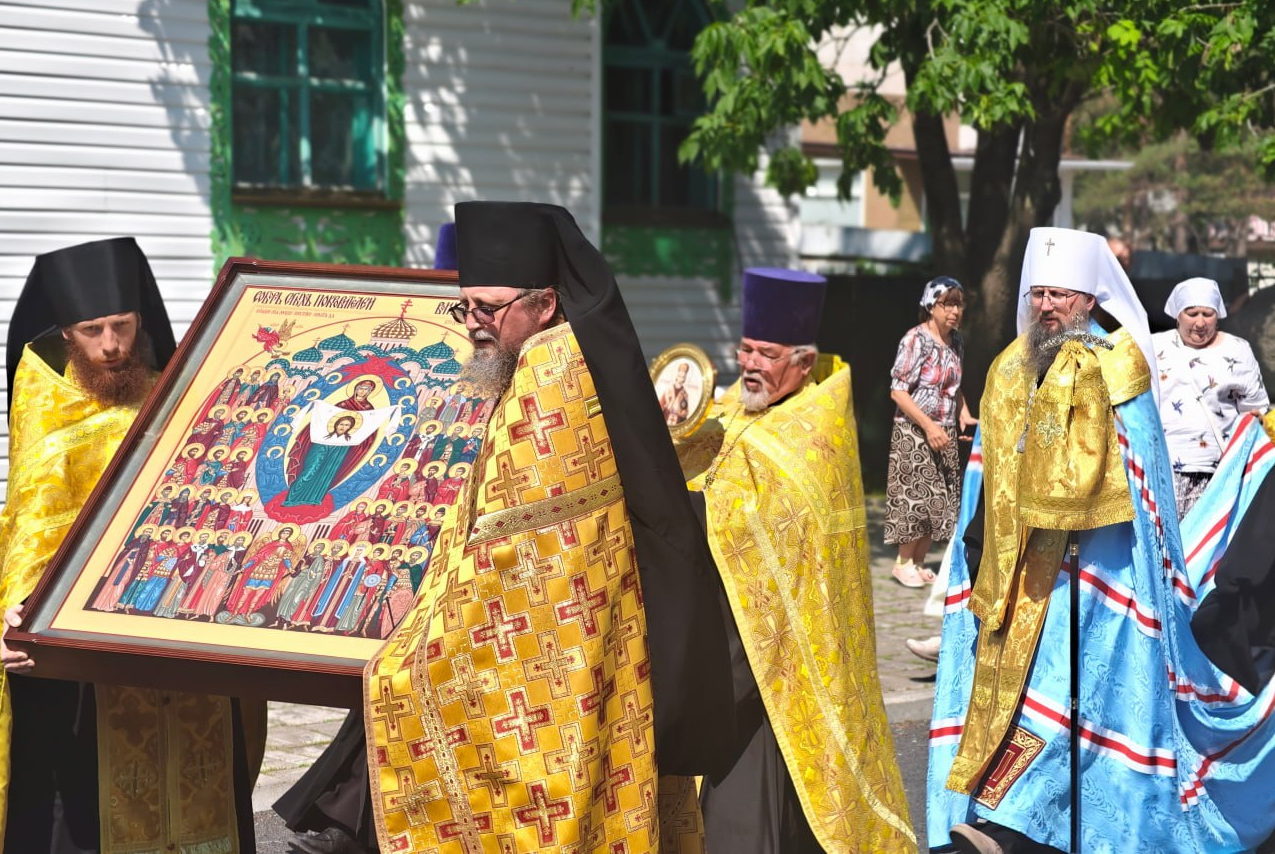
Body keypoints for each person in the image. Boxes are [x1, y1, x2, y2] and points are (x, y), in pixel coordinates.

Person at [357, 201, 734, 852]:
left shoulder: (552, 378)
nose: (472, 324)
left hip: (551, 658)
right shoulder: (552, 357)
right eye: (463, 307)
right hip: (588, 651)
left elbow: (507, 562)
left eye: (487, 308)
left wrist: (415, 641)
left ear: (545, 304)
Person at [927, 228, 1275, 853]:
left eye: (1060, 295)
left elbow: (1143, 478)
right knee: (1028, 698)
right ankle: (1011, 820)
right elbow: (988, 469)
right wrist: (978, 551)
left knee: (1074, 699)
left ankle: (1023, 826)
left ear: (1089, 299)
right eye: (1038, 294)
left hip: (1102, 575)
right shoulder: (1009, 368)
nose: (1046, 306)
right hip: (1020, 573)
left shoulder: (1120, 364)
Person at [0, 237, 256, 852]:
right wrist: (20, 617)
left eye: (123, 326)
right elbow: (33, 521)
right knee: (79, 797)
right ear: (66, 333)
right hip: (76, 635)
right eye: (92, 331)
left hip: (175, 620)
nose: (111, 345)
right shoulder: (46, 403)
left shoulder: (176, 394)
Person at [675, 267, 916, 852]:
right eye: (746, 350)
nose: (751, 365)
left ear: (804, 363)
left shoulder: (817, 426)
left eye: (767, 354)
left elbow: (774, 522)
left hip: (780, 634)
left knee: (758, 794)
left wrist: (695, 508)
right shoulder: (732, 406)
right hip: (717, 619)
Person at [885, 275, 977, 587]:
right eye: (947, 304)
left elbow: (954, 386)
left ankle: (918, 562)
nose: (955, 311)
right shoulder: (915, 340)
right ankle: (902, 563)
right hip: (914, 430)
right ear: (930, 305)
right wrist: (929, 426)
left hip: (945, 429)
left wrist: (963, 414)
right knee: (916, 497)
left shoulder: (956, 342)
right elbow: (898, 391)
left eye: (959, 305)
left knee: (940, 499)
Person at [1153, 276, 1269, 519]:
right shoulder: (1154, 346)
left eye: (1208, 314)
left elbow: (1255, 409)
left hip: (1220, 472)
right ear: (1177, 314)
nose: (1200, 323)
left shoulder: (1238, 349)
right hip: (1162, 469)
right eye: (1192, 313)